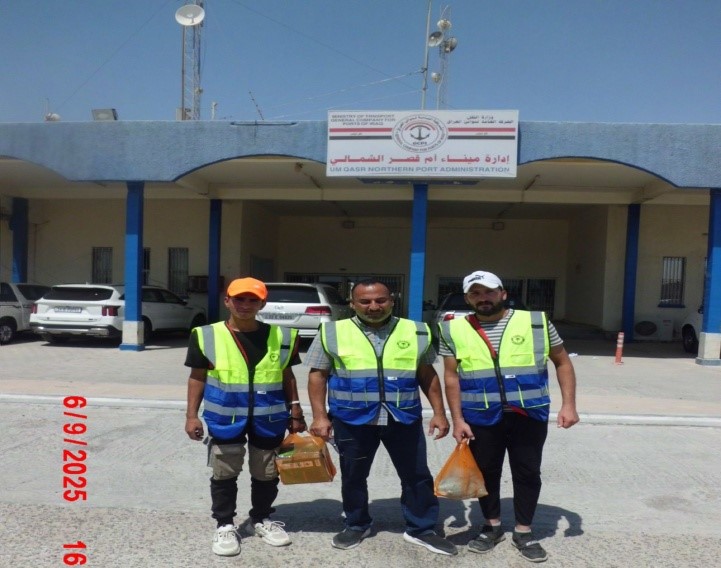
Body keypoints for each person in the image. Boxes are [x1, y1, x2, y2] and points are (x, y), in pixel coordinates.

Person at [306, 278, 457, 556]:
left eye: (380, 300)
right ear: (353, 304)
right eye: (365, 301)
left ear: (392, 301)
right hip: (352, 418)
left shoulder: (417, 331)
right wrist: (319, 417)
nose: (373, 306)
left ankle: (421, 529)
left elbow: (427, 374)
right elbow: (318, 375)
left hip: (403, 417)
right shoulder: (331, 332)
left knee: (416, 475)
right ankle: (356, 524)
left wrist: (439, 412)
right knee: (353, 475)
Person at [437, 270, 579, 563]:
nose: (483, 298)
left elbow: (562, 362)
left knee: (527, 472)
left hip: (528, 413)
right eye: (475, 293)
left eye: (489, 291)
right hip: (480, 415)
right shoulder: (452, 329)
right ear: (468, 298)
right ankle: (492, 527)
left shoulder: (536, 322)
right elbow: (451, 377)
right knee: (486, 472)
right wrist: (458, 419)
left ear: (503, 293)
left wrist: (569, 405)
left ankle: (524, 531)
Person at [184, 277, 306, 557]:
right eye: (239, 299)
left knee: (266, 472)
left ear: (263, 303)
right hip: (225, 417)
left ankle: (260, 519)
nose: (246, 305)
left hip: (270, 417)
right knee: (224, 472)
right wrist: (191, 416)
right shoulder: (205, 335)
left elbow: (287, 375)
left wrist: (296, 409)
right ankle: (225, 524)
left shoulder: (283, 336)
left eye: (253, 300)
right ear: (227, 300)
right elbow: (197, 377)